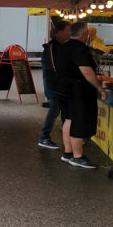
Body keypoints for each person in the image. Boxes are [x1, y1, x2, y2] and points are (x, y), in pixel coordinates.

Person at [55, 22, 107, 168]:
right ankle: (77, 156)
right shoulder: (79, 48)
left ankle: (67, 153)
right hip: (77, 90)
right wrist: (99, 88)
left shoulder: (64, 46)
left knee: (69, 119)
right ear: (84, 34)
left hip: (62, 89)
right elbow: (86, 71)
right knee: (78, 121)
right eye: (88, 33)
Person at [38, 21, 71, 149]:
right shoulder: (51, 48)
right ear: (59, 32)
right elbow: (53, 68)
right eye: (68, 30)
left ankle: (67, 134)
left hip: (62, 85)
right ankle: (44, 137)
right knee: (54, 110)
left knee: (65, 110)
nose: (69, 33)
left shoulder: (62, 46)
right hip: (54, 86)